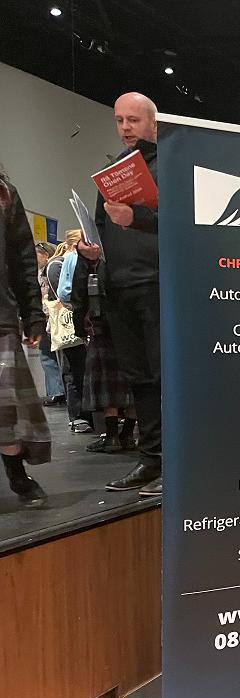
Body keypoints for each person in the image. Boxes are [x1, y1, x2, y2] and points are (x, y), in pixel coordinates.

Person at [74, 92, 162, 496]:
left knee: (164, 378)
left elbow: (188, 222)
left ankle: (175, 464)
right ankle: (152, 459)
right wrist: (92, 252)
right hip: (119, 288)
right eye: (119, 120)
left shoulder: (172, 166)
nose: (125, 127)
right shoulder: (112, 174)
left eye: (133, 120)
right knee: (139, 380)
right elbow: (101, 229)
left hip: (158, 285)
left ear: (153, 123)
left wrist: (137, 216)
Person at [0, 171, 51, 506]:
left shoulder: (4, 192)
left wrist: (33, 313)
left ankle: (17, 475)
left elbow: (21, 258)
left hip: (0, 314)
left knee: (5, 408)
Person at [45, 232, 91, 433]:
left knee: (84, 370)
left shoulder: (81, 264)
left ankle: (88, 414)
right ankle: (78, 416)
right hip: (69, 323)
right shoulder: (57, 265)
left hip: (83, 321)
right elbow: (64, 295)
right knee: (72, 370)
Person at [35, 241, 65, 406]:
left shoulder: (50, 271)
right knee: (47, 355)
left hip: (51, 317)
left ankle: (58, 392)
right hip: (46, 318)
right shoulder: (41, 273)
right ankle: (56, 391)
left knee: (51, 355)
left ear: (46, 255)